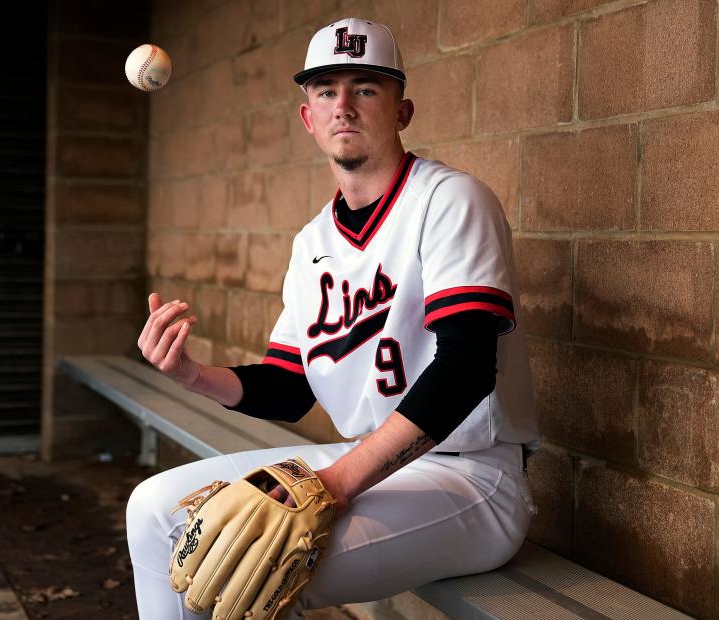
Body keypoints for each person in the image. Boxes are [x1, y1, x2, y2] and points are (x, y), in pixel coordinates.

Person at [126, 17, 540, 619]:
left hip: (471, 479)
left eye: (365, 88)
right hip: (366, 462)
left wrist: (330, 487)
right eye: (326, 91)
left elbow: (467, 367)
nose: (343, 105)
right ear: (308, 117)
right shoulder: (312, 241)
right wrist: (193, 374)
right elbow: (288, 388)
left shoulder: (449, 200)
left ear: (402, 110)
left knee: (254, 559)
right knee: (155, 506)